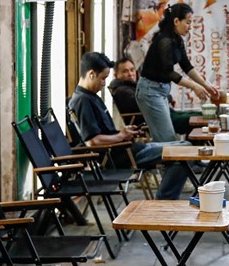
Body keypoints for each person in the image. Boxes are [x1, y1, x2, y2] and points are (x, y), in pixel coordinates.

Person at [69, 52, 190, 200]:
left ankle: (165, 198)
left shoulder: (91, 97)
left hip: (130, 149)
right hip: (122, 156)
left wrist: (123, 132)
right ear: (91, 74)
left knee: (186, 146)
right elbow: (92, 141)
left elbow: (104, 133)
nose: (104, 83)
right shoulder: (83, 101)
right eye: (103, 78)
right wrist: (121, 136)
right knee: (186, 151)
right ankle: (164, 200)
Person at [136, 3, 219, 142]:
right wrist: (194, 86)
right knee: (166, 139)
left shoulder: (177, 39)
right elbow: (169, 73)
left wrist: (206, 85)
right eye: (188, 22)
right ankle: (157, 156)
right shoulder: (164, 40)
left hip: (160, 91)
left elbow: (187, 66)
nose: (190, 26)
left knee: (167, 138)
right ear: (176, 21)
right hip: (150, 92)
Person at [108, 57, 200, 135]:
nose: (130, 74)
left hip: (162, 114)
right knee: (197, 119)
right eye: (125, 71)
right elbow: (149, 101)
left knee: (199, 115)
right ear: (116, 75)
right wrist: (169, 98)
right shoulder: (122, 91)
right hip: (156, 120)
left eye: (132, 70)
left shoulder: (131, 86)